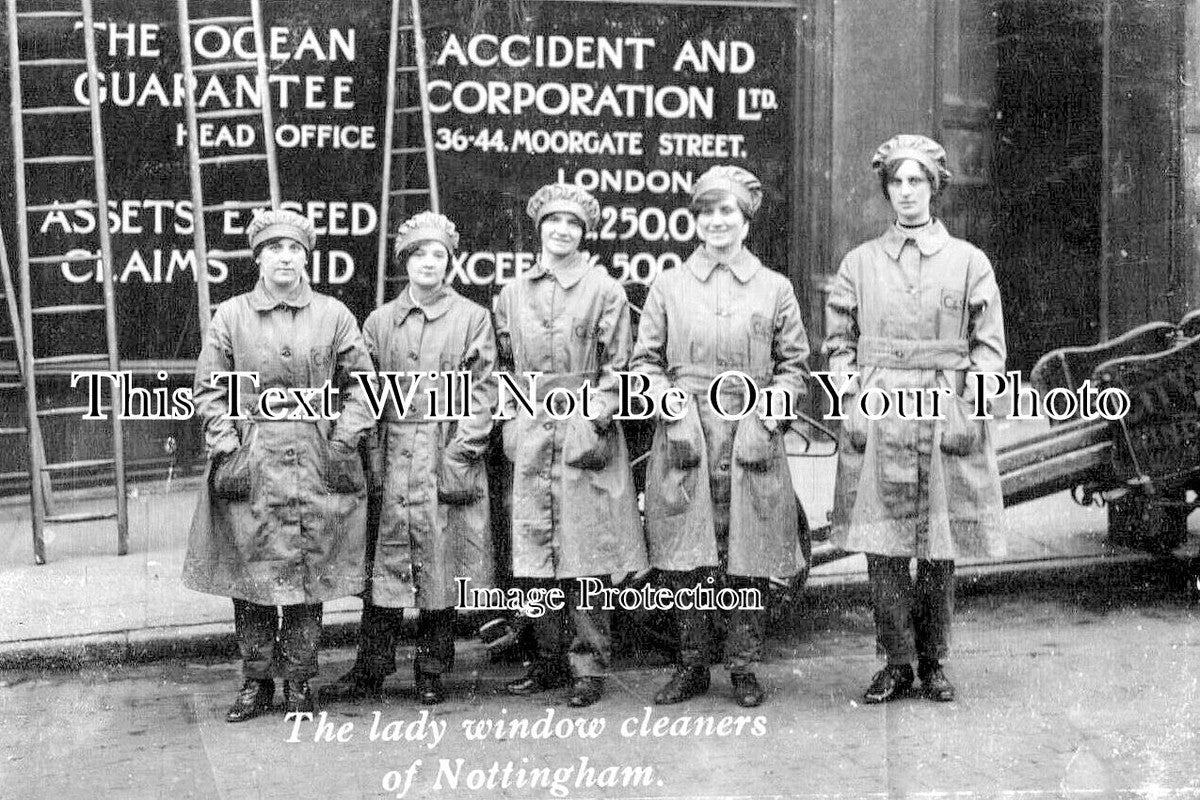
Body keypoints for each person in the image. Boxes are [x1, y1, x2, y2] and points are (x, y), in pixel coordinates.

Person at [823, 134, 1006, 704]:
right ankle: (896, 660)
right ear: (887, 190)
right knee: (882, 545)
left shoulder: (969, 261)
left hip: (943, 406)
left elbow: (990, 347)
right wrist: (850, 400)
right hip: (880, 410)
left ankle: (934, 661)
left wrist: (971, 407)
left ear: (934, 189)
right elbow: (837, 344)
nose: (906, 192)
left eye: (916, 181)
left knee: (937, 545)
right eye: (897, 182)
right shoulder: (860, 262)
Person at [183, 208, 376, 722]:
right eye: (274, 249)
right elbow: (208, 387)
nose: (285, 258)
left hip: (316, 460)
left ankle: (298, 682)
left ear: (306, 258)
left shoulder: (334, 315)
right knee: (252, 574)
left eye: (294, 249)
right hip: (254, 461)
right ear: (259, 259)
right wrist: (228, 447)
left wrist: (342, 440)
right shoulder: (231, 315)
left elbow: (364, 386)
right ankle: (255, 681)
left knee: (309, 572)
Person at [631, 165, 810, 708]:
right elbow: (645, 362)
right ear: (695, 221)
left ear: (745, 220)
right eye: (706, 212)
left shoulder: (775, 288)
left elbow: (795, 368)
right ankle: (691, 666)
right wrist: (671, 407)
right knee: (689, 552)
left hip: (751, 430)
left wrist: (768, 418)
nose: (716, 222)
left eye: (726, 211)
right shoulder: (669, 285)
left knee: (746, 551)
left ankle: (742, 666)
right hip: (686, 432)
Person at [322, 212, 496, 705]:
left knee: (438, 572)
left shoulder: (472, 318)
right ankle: (370, 669)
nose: (427, 263)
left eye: (437, 254)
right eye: (418, 254)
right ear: (405, 262)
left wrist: (462, 453)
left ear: (450, 264)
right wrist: (363, 453)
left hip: (443, 454)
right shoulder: (379, 321)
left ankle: (432, 671)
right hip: (392, 457)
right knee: (385, 570)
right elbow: (365, 389)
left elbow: (482, 394)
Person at [494, 182, 647, 708]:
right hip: (534, 430)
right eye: (553, 222)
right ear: (539, 229)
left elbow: (619, 367)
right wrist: (514, 425)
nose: (561, 231)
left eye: (573, 224)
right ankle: (546, 661)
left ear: (584, 233)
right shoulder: (512, 294)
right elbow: (504, 367)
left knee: (585, 554)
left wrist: (595, 419)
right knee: (535, 554)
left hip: (586, 431)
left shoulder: (605, 290)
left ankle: (589, 666)